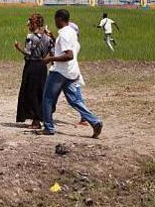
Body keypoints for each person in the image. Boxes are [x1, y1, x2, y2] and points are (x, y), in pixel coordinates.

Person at [40, 9, 103, 138]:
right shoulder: (71, 32)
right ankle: (94, 121)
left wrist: (50, 59)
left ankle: (48, 127)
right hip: (71, 72)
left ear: (59, 19)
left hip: (59, 72)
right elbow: (65, 47)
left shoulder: (63, 34)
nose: (55, 22)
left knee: (47, 98)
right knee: (74, 100)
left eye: (55, 19)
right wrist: (52, 37)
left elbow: (69, 55)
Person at [13, 13, 52, 129]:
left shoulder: (30, 37)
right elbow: (52, 50)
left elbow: (28, 52)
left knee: (30, 92)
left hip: (32, 66)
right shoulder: (47, 37)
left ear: (34, 23)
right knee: (40, 92)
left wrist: (18, 47)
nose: (28, 24)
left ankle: (35, 121)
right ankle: (40, 117)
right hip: (42, 66)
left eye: (30, 21)